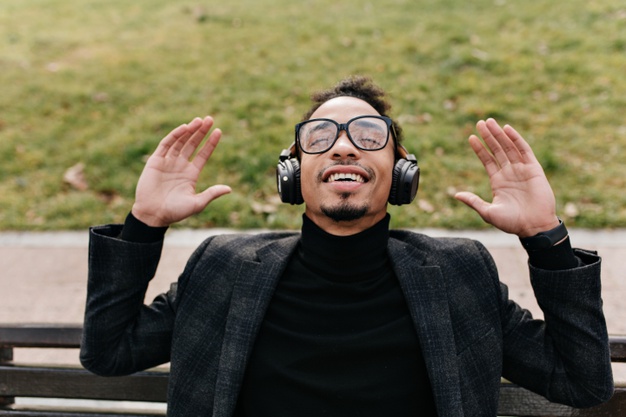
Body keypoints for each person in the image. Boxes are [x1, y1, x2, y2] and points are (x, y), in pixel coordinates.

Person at [80, 76, 614, 416]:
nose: (341, 146)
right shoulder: (223, 265)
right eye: (318, 137)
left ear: (401, 168)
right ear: (293, 171)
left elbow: (582, 382)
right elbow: (109, 352)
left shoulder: (458, 272)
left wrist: (546, 240)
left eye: (367, 134)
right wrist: (144, 224)